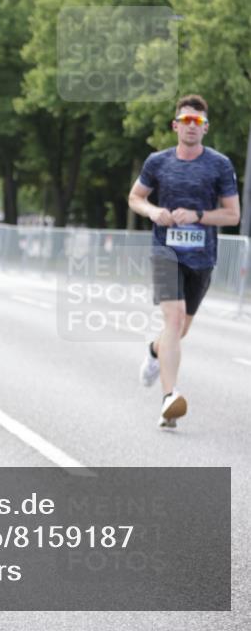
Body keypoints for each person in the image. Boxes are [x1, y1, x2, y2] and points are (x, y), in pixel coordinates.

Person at [128, 94, 240, 429]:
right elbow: (135, 197)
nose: (192, 127)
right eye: (186, 121)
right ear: (175, 125)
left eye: (198, 122)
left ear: (205, 128)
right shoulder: (157, 162)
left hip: (201, 257)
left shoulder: (219, 165)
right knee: (174, 319)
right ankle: (169, 399)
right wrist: (154, 211)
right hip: (165, 252)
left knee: (180, 328)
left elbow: (232, 215)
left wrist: (198, 215)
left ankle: (153, 350)